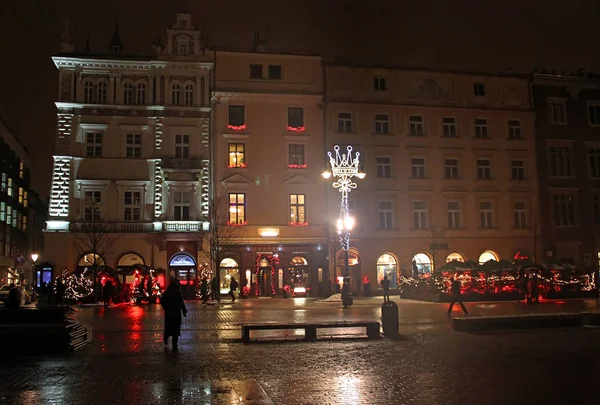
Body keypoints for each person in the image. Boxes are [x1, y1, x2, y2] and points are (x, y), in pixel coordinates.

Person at [160, 279, 187, 350]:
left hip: (169, 313)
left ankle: (166, 339)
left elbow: (162, 301)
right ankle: (175, 342)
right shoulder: (177, 292)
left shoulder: (167, 292)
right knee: (176, 328)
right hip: (176, 312)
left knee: (168, 327)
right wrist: (184, 311)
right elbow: (181, 302)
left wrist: (165, 308)